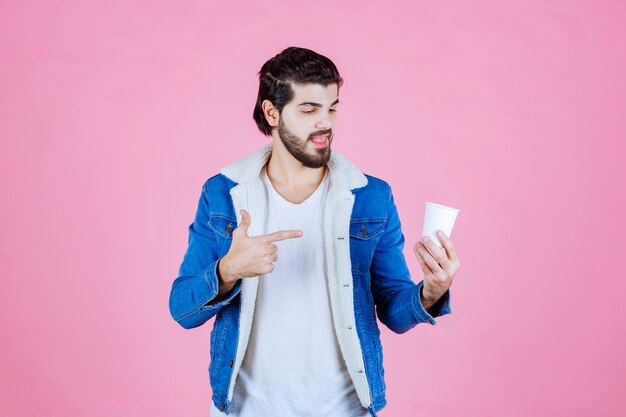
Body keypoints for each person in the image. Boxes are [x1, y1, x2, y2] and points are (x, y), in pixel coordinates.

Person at [168, 46, 461, 417]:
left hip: (345, 409)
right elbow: (182, 310)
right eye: (309, 110)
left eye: (332, 107)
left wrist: (432, 292)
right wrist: (228, 271)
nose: (325, 123)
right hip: (245, 410)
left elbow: (394, 311)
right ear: (272, 113)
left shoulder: (370, 197)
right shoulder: (223, 194)